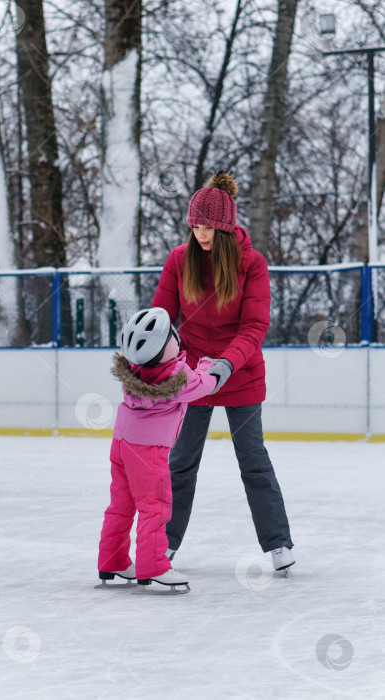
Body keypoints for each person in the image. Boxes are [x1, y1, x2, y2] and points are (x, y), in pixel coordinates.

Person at [151, 171, 295, 573]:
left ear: (227, 226)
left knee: (253, 460)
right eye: (195, 225)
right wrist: (154, 361)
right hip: (193, 377)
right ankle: (164, 544)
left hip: (241, 375)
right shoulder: (180, 260)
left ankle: (279, 544)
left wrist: (226, 365)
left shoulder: (252, 263)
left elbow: (254, 327)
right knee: (180, 461)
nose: (201, 233)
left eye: (209, 226)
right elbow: (163, 316)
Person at [97, 307, 218, 591]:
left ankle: (112, 561)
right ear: (166, 345)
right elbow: (205, 383)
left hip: (121, 443)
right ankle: (154, 566)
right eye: (173, 337)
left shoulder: (133, 370)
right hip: (149, 452)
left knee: (121, 506)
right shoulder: (178, 378)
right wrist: (209, 364)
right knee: (156, 507)